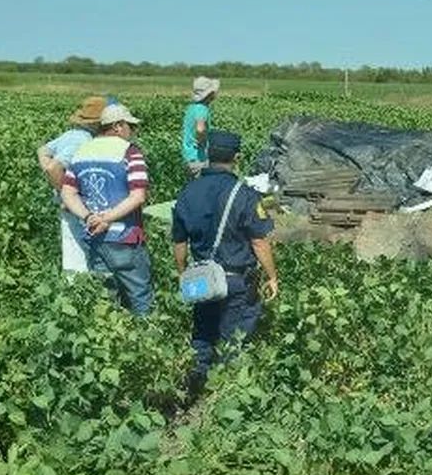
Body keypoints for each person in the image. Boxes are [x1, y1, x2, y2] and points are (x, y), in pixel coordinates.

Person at [171, 130, 278, 392]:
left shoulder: (188, 192)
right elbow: (259, 241)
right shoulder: (245, 195)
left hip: (202, 277)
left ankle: (195, 383)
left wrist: (183, 273)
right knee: (235, 338)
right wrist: (272, 276)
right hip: (235, 279)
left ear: (207, 155)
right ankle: (225, 391)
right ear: (237, 158)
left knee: (203, 332)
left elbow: (179, 243)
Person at [60, 103, 154, 316]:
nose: (132, 131)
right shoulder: (129, 152)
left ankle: (109, 334)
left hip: (94, 236)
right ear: (118, 126)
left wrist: (89, 217)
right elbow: (138, 196)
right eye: (130, 126)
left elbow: (67, 193)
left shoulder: (82, 152)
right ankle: (146, 333)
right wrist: (108, 218)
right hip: (126, 237)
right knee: (140, 297)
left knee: (105, 300)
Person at [36, 96, 105, 272]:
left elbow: (42, 151)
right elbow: (54, 168)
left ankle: (76, 285)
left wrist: (61, 190)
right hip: (78, 204)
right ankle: (85, 285)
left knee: (72, 247)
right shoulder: (82, 140)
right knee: (81, 254)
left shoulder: (71, 134)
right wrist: (66, 195)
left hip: (70, 204)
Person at [180, 76, 220, 177]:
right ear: (209, 94)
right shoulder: (202, 109)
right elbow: (200, 129)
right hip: (198, 157)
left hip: (188, 155)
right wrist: (202, 142)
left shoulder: (191, 107)